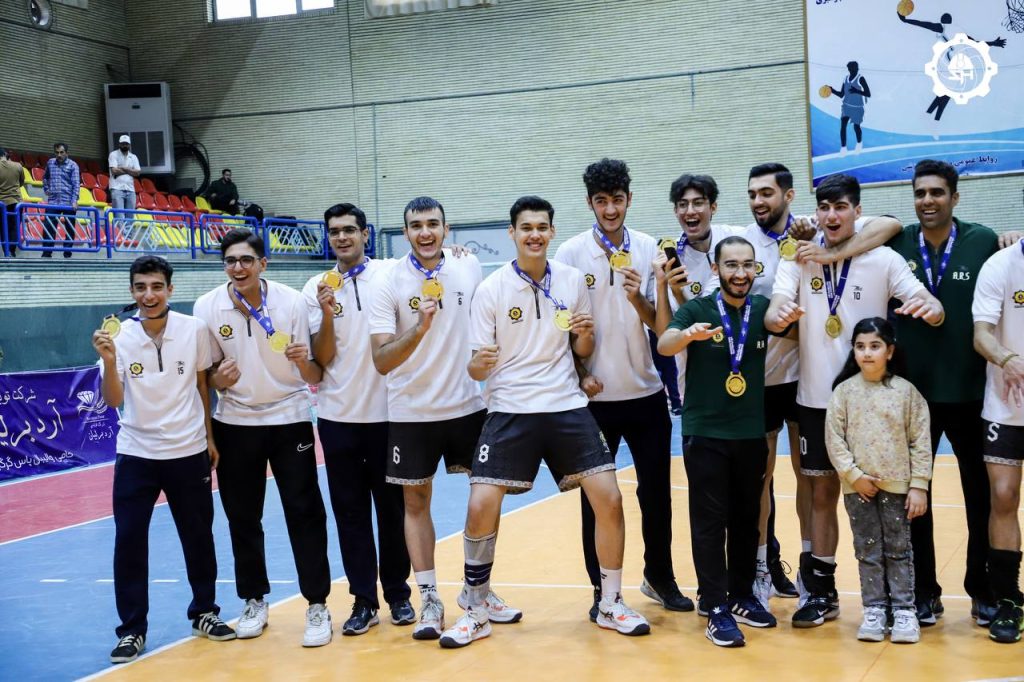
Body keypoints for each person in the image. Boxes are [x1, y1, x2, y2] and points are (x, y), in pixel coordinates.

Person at [800, 159, 1022, 625]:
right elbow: (877, 225)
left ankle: (982, 589)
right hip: (911, 395)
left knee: (980, 496)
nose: (927, 200)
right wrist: (830, 251)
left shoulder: (983, 241)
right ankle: (923, 593)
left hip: (971, 391)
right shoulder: (897, 241)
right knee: (911, 498)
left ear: (955, 197)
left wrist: (1010, 237)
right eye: (920, 193)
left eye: (937, 192)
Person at [439, 195, 649, 649]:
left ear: (551, 232)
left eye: (541, 227)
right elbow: (475, 368)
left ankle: (610, 602)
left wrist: (585, 336)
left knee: (609, 498)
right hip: (509, 407)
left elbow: (582, 349)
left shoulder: (571, 280)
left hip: (565, 403)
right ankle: (475, 607)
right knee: (480, 504)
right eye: (526, 227)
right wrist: (480, 364)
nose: (534, 234)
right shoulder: (491, 289)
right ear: (512, 233)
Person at [765, 173, 944, 628]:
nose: (831, 215)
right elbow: (774, 308)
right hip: (815, 400)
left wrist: (930, 308)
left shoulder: (882, 258)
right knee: (822, 493)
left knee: (883, 498)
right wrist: (778, 314)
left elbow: (928, 301)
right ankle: (821, 592)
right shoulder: (799, 254)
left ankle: (897, 600)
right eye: (824, 207)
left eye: (840, 206)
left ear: (857, 212)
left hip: (872, 404)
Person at [369, 196, 521, 641]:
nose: (425, 232)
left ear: (446, 229)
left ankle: (479, 591)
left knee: (486, 500)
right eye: (416, 225)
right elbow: (381, 360)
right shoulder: (388, 281)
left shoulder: (467, 264)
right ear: (405, 232)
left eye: (433, 224)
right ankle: (430, 598)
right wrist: (419, 328)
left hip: (467, 407)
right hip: (411, 411)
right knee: (416, 504)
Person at [553, 158, 691, 621]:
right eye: (601, 201)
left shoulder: (650, 249)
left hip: (646, 393)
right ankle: (602, 589)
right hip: (592, 401)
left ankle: (660, 577)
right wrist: (578, 372)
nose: (610, 209)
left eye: (617, 200)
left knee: (657, 496)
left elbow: (664, 329)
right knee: (595, 502)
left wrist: (638, 298)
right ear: (589, 203)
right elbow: (560, 326)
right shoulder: (570, 254)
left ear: (629, 199)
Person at [193, 229, 334, 648]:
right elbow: (206, 377)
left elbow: (314, 373)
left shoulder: (291, 303)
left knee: (305, 512)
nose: (238, 268)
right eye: (230, 261)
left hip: (289, 416)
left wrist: (303, 362)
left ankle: (317, 604)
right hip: (235, 422)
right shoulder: (207, 306)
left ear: (263, 264)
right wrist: (218, 381)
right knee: (242, 517)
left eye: (246, 260)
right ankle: (254, 600)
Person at [92, 255, 235, 664]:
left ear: (170, 289)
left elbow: (202, 385)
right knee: (129, 541)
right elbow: (113, 400)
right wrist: (109, 361)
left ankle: (204, 612)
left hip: (187, 451)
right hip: (136, 454)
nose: (149, 295)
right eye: (140, 287)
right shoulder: (117, 337)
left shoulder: (194, 329)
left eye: (156, 286)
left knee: (198, 536)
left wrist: (209, 437)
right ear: (132, 291)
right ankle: (131, 630)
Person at [657, 235, 796, 647]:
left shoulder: (762, 310)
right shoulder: (698, 309)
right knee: (709, 522)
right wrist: (688, 335)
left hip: (750, 433)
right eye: (731, 265)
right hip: (705, 433)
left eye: (747, 265)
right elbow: (664, 343)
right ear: (716, 270)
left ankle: (740, 596)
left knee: (746, 519)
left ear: (756, 269)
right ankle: (714, 605)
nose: (740, 273)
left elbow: (790, 326)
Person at [302, 203, 415, 636]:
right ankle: (363, 600)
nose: (342, 237)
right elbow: (322, 358)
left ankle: (399, 594)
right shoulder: (315, 287)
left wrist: (456, 252)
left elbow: (431, 259)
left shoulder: (390, 272)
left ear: (366, 234)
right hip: (337, 418)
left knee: (392, 511)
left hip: (389, 415)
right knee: (350, 515)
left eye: (350, 230)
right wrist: (326, 313)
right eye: (334, 232)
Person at [825, 317, 932, 644]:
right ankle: (874, 609)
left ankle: (904, 610)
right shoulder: (844, 392)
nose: (867, 353)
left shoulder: (906, 393)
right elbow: (834, 439)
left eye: (875, 346)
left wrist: (919, 485)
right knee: (867, 549)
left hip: (898, 488)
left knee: (899, 549)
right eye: (860, 346)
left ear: (890, 351)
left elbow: (920, 441)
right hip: (859, 490)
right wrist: (854, 476)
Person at [972, 237, 1024, 643]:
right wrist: (1007, 359)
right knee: (1003, 496)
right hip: (1007, 403)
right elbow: (981, 335)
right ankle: (1008, 600)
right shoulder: (1001, 265)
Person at [41, 142, 77, 257]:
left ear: (67, 153)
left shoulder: (73, 165)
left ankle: (67, 252)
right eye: (57, 152)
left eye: (62, 152)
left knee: (70, 228)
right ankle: (47, 253)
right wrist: (46, 188)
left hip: (68, 202)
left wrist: (74, 200)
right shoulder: (50, 163)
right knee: (48, 227)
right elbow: (45, 177)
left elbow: (76, 184)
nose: (59, 155)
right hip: (53, 201)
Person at [825, 61, 870, 156]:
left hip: (857, 107)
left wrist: (857, 91)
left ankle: (859, 144)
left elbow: (868, 93)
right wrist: (832, 90)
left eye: (855, 68)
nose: (853, 70)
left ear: (857, 69)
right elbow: (841, 94)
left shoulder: (860, 78)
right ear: (849, 69)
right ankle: (843, 148)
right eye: (851, 69)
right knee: (843, 126)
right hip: (846, 106)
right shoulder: (845, 78)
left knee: (856, 127)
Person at [0, 148, 24, 257]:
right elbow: (21, 183)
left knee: (3, 229)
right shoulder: (18, 166)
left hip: (2, 203)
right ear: (5, 154)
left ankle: (6, 253)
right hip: (16, 202)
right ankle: (12, 252)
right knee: (14, 227)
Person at [108, 134, 141, 211]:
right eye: (123, 144)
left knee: (130, 216)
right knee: (119, 216)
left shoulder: (133, 157)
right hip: (117, 188)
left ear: (129, 145)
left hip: (130, 189)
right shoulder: (113, 154)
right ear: (119, 144)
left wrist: (124, 168)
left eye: (126, 144)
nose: (124, 145)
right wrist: (130, 170)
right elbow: (114, 171)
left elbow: (138, 172)